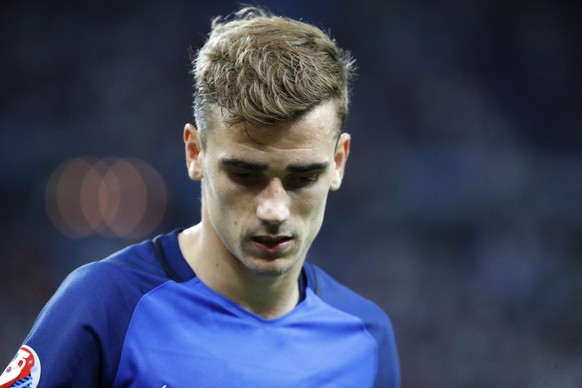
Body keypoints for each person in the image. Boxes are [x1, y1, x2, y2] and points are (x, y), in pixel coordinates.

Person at [1, 6, 399, 387]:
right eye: (244, 175)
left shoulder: (366, 339)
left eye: (303, 178)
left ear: (339, 161)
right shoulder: (105, 305)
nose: (274, 210)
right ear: (195, 153)